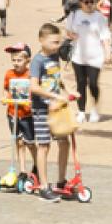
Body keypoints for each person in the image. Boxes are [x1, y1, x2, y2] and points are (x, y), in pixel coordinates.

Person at [31, 23, 77, 196]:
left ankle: (61, 179)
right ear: (41, 41)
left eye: (58, 42)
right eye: (54, 42)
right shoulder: (38, 61)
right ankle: (44, 186)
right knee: (43, 146)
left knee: (64, 142)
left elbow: (56, 78)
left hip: (57, 109)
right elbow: (33, 87)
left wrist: (68, 90)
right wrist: (53, 96)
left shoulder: (54, 57)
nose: (58, 46)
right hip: (42, 108)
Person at [65, 0, 110, 124]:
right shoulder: (74, 15)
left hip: (95, 56)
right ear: (81, 3)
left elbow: (105, 37)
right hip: (78, 55)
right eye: (86, 2)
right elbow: (68, 31)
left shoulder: (100, 17)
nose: (90, 4)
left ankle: (95, 109)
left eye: (92, 2)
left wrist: (108, 52)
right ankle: (81, 111)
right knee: (81, 83)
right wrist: (73, 36)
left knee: (93, 84)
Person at [2, 45, 41, 187]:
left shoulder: (31, 75)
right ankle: (23, 170)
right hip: (13, 112)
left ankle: (37, 165)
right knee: (18, 141)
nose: (16, 63)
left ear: (27, 61)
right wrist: (4, 97)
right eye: (14, 60)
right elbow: (6, 89)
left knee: (30, 142)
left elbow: (35, 92)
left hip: (27, 114)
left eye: (19, 60)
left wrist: (33, 102)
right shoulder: (9, 74)